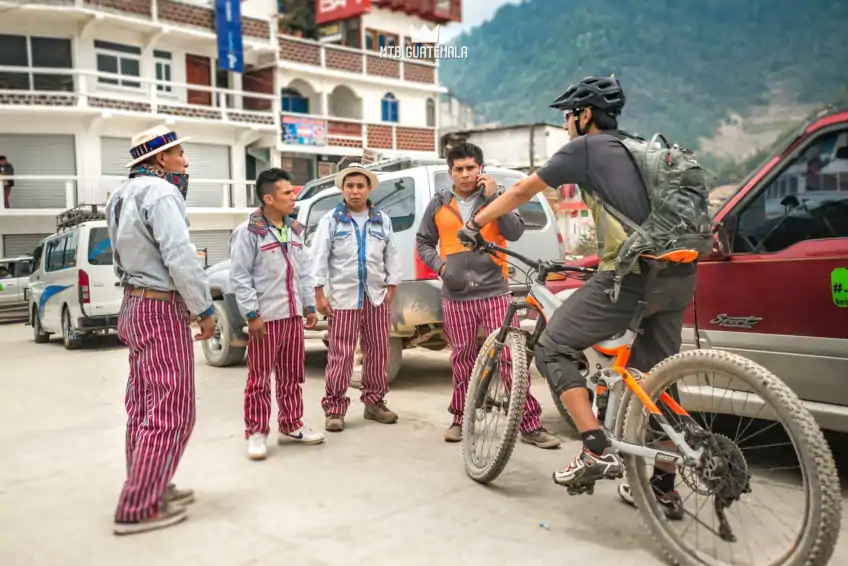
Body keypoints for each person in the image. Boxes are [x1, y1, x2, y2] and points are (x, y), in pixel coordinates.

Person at [457, 76, 695, 518]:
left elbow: (522, 190)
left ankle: (595, 447)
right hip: (678, 273)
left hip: (633, 277)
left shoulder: (586, 148)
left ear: (584, 115)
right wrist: (592, 259)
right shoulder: (640, 150)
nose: (566, 124)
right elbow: (633, 220)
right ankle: (663, 485)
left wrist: (474, 225)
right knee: (658, 381)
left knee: (552, 346)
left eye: (568, 115)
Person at [106, 125, 215, 535]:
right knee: (171, 411)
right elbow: (178, 254)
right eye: (180, 154)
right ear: (159, 160)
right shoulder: (162, 193)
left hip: (133, 303)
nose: (186, 162)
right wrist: (202, 307)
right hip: (159, 308)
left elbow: (119, 256)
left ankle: (151, 484)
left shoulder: (120, 195)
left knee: (144, 406)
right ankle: (138, 506)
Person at [416, 142, 561, 449]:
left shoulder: (497, 198)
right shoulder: (439, 203)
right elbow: (423, 242)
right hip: (455, 295)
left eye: (471, 168)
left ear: (480, 169)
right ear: (450, 172)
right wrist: (442, 269)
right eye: (459, 169)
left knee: (509, 359)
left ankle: (530, 424)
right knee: (462, 358)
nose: (465, 175)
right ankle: (460, 417)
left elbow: (514, 232)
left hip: (495, 291)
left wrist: (496, 196)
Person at [230, 167, 325, 459]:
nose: (293, 197)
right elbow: (240, 277)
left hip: (293, 316)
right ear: (269, 198)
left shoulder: (295, 230)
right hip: (266, 319)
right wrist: (251, 314)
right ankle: (256, 432)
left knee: (292, 375)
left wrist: (308, 306)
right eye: (287, 192)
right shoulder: (249, 232)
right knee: (259, 379)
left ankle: (291, 424)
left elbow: (304, 272)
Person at [312, 164, 401, 432]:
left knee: (378, 351)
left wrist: (392, 285)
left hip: (375, 297)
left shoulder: (381, 220)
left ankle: (374, 403)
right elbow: (319, 257)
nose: (354, 191)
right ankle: (335, 408)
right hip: (343, 298)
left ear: (368, 189)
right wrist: (318, 292)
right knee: (341, 354)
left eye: (360, 186)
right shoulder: (332, 220)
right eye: (349, 186)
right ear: (343, 189)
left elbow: (392, 255)